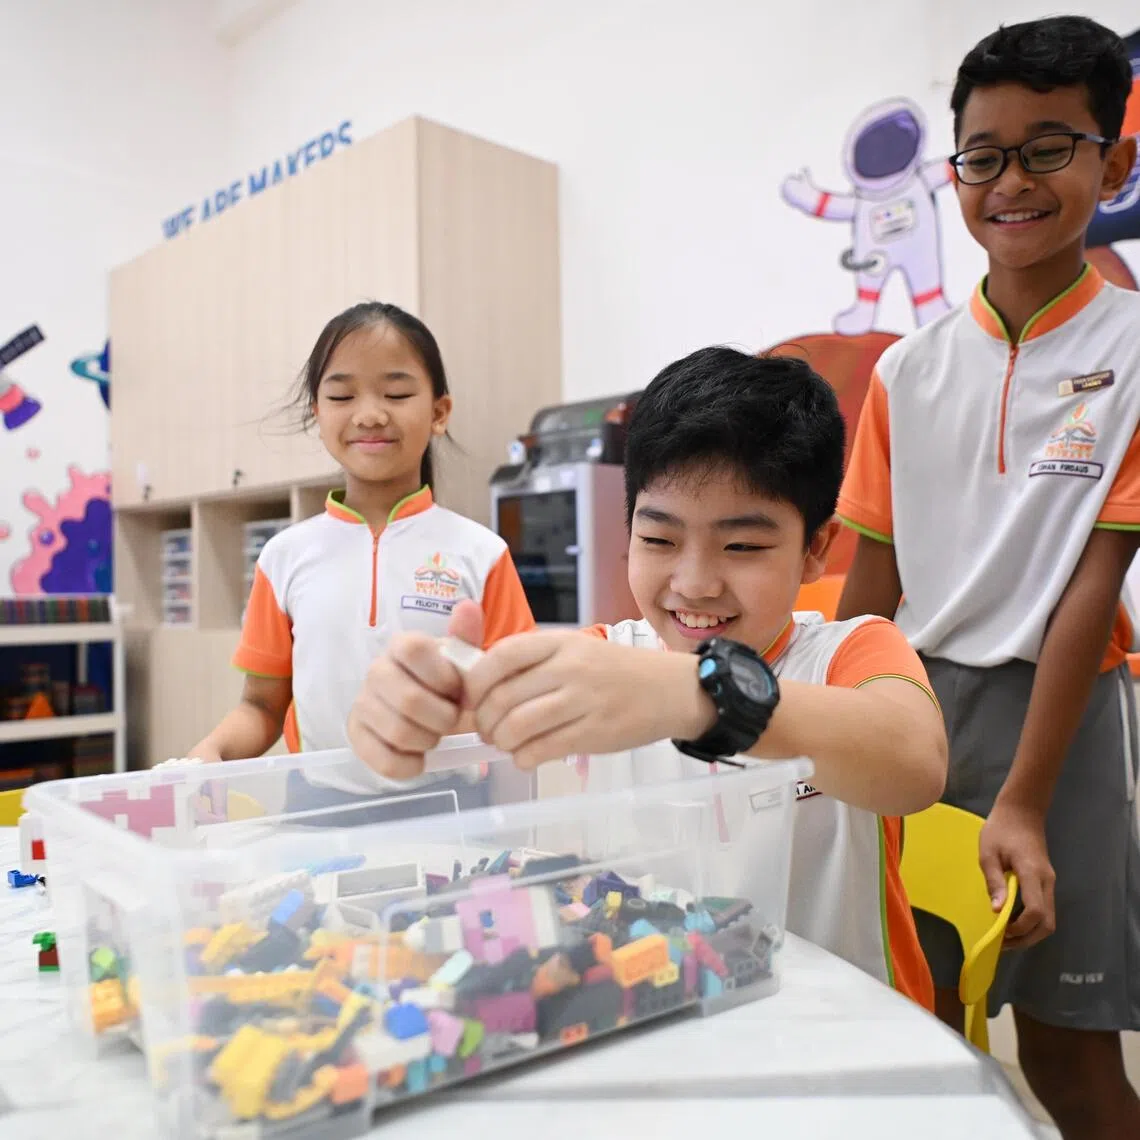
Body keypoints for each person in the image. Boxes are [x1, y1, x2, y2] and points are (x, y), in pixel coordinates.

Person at [346, 346, 948, 1008]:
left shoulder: (849, 652)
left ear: (815, 549)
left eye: (743, 546)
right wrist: (410, 703)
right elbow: (469, 707)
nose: (695, 583)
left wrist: (696, 695)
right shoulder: (606, 661)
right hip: (665, 1021)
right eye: (660, 540)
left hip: (849, 1030)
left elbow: (914, 763)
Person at [835, 17, 1140, 1139]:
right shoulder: (905, 370)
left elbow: (1090, 587)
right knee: (908, 1020)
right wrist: (824, 738)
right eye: (983, 156)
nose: (1011, 182)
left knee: (1069, 1056)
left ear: (1116, 161)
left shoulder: (1135, 349)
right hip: (909, 705)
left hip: (1062, 718)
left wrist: (1023, 800)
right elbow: (869, 584)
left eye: (1049, 148)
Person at [186, 302, 535, 809]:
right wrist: (211, 752)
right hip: (316, 810)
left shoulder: (482, 554)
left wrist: (510, 828)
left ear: (439, 413)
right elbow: (261, 706)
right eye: (342, 395)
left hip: (452, 810)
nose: (370, 414)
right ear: (318, 413)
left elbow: (515, 706)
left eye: (396, 393)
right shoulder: (283, 557)